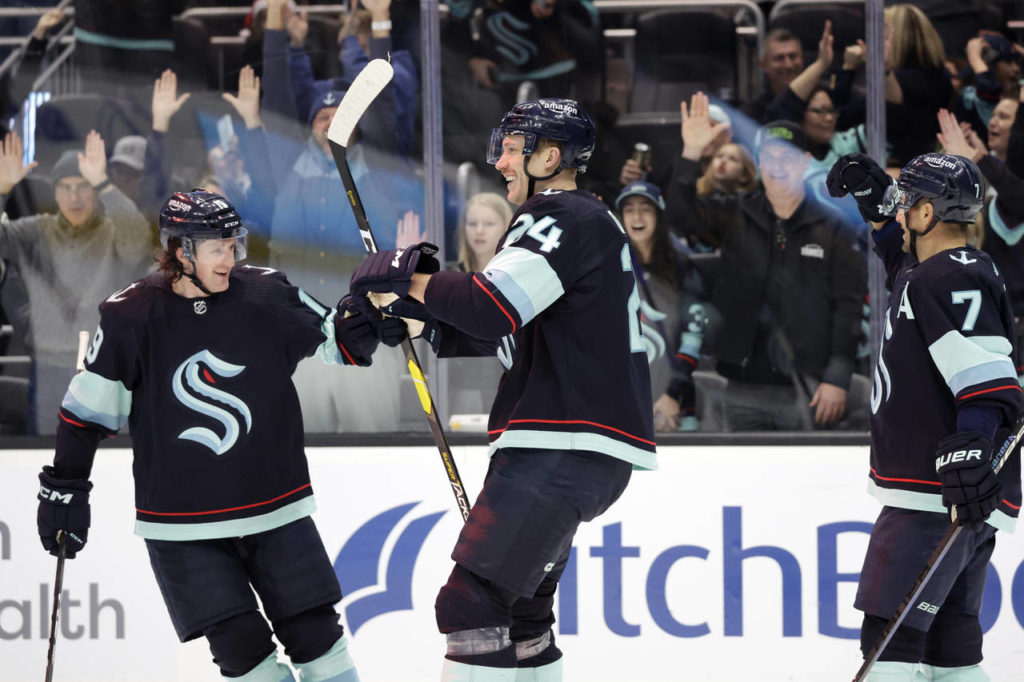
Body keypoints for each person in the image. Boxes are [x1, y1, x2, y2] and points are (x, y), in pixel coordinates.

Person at [34, 189, 403, 681]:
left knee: (317, 636)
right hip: (184, 525)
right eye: (217, 248)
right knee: (241, 650)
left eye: (233, 245)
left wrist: (372, 315)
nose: (230, 258)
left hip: (275, 509)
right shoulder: (131, 316)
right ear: (180, 251)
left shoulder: (266, 294)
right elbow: (84, 417)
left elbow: (337, 338)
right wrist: (66, 489)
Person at [349, 98, 656, 681]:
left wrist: (409, 277)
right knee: (522, 618)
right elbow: (514, 329)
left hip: (560, 447)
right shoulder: (581, 220)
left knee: (471, 605)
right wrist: (422, 323)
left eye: (513, 149)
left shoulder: (559, 215)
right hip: (577, 450)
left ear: (550, 157)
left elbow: (490, 308)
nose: (501, 161)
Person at [827, 151, 1021, 681]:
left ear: (928, 214)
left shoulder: (949, 277)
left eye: (907, 202)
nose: (899, 209)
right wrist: (875, 207)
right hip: (956, 497)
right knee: (949, 651)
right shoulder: (937, 272)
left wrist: (971, 455)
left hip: (933, 496)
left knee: (888, 641)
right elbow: (903, 266)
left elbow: (986, 378)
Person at [665, 92, 867, 431]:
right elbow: (680, 216)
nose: (777, 166)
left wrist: (838, 376)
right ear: (758, 164)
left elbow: (849, 307)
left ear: (804, 161)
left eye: (786, 157)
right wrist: (691, 154)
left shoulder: (832, 227)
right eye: (769, 157)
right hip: (742, 385)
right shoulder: (735, 212)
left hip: (810, 387)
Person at [0, 130, 152, 434]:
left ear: (95, 191)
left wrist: (105, 184)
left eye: (83, 186)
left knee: (110, 454)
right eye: (65, 187)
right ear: (54, 193)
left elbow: (139, 240)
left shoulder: (113, 231)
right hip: (48, 369)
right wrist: (3, 189)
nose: (74, 196)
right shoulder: (36, 230)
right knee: (45, 454)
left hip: (106, 369)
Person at [616, 180, 707, 432]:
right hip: (624, 406)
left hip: (673, 405)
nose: (637, 216)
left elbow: (694, 338)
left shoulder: (682, 268)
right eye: (629, 210)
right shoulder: (609, 267)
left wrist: (672, 395)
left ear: (659, 215)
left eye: (645, 209)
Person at [743, 28, 805, 123]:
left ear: (802, 59)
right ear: (764, 65)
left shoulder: (819, 103)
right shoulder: (752, 113)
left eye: (793, 56)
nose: (788, 65)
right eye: (779, 58)